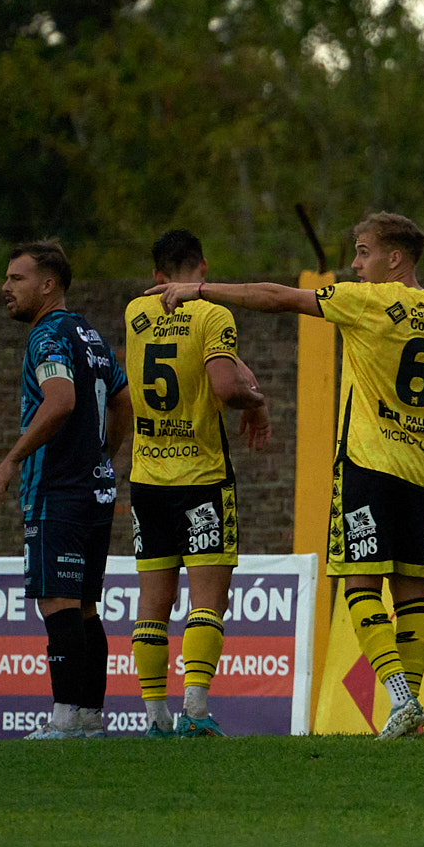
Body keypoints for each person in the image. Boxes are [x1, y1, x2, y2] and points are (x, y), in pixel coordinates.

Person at [160, 212, 424, 742]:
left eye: (363, 252)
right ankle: (406, 709)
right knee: (412, 594)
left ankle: (401, 698)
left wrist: (200, 289)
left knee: (359, 584)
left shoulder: (365, 301)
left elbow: (276, 297)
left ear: (395, 258)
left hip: (366, 466)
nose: (355, 264)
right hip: (419, 477)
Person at [0, 240, 131, 740]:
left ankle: (64, 719)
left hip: (58, 491)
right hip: (96, 490)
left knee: (57, 602)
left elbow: (60, 400)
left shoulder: (46, 336)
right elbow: (123, 398)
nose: (5, 288)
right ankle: (89, 719)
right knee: (85, 605)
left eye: (15, 279)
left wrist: (12, 458)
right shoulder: (89, 333)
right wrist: (105, 455)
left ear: (48, 285)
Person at [125, 230, 274, 738]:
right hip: (202, 478)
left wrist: (242, 378)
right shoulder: (215, 315)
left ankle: (154, 718)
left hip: (147, 478)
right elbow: (223, 385)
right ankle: (195, 711)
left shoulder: (134, 315)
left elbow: (212, 362)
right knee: (207, 600)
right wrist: (257, 402)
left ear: (156, 275)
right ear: (204, 268)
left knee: (153, 602)